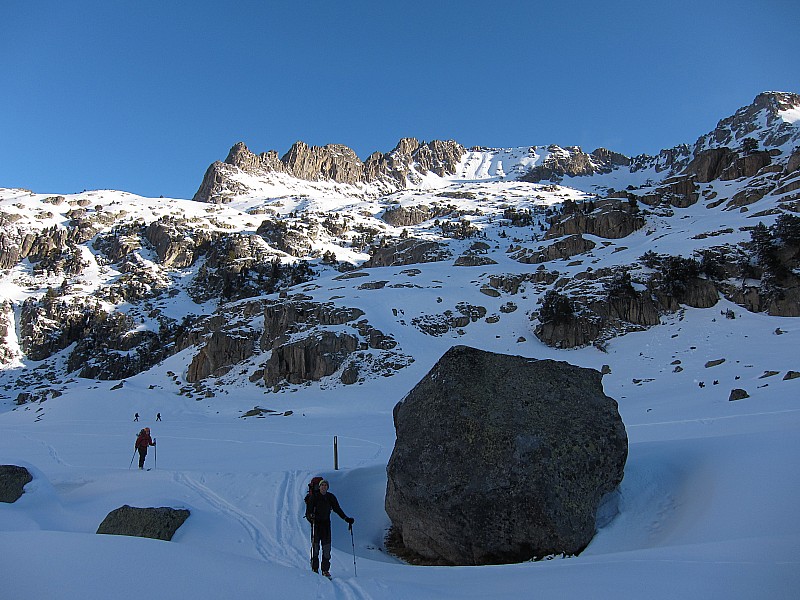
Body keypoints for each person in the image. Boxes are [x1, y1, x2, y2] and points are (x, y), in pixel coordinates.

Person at [304, 479, 354, 577]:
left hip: (326, 525)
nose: (324, 487)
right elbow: (308, 512)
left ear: (327, 487)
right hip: (316, 525)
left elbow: (337, 509)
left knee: (326, 549)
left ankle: (325, 570)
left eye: (325, 485)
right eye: (322, 485)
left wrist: (346, 519)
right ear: (319, 486)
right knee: (316, 548)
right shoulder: (314, 497)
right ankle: (315, 569)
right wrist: (311, 518)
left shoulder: (330, 497)